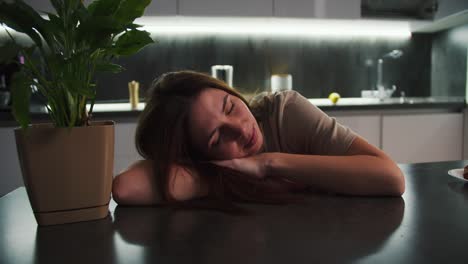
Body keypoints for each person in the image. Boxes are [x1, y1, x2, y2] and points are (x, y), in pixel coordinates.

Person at [112, 71, 405, 209]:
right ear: (199, 155)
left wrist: (268, 164)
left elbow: (390, 177)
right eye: (217, 137)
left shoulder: (284, 112)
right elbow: (125, 188)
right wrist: (218, 172)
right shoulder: (210, 164)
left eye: (230, 106)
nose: (239, 128)